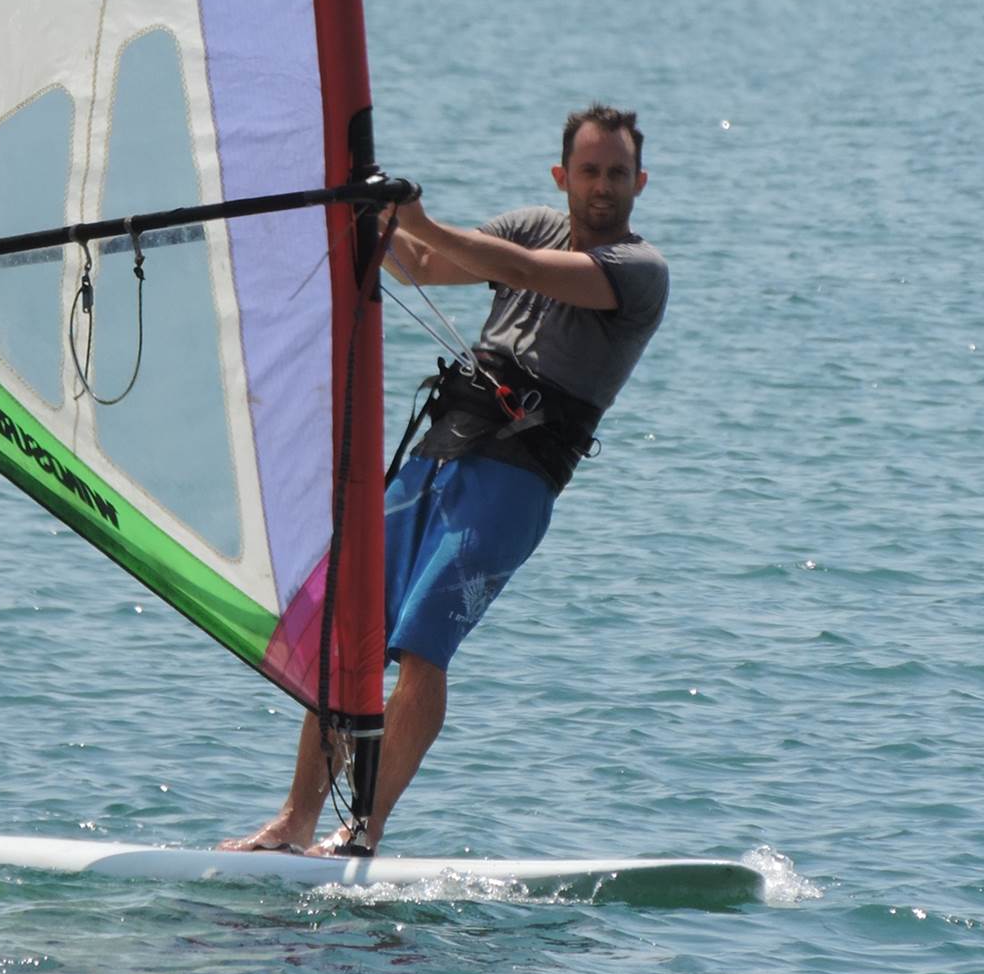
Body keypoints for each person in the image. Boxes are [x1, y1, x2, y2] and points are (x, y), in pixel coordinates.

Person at [219, 104, 668, 857]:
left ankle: (364, 828)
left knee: (423, 649)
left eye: (617, 174)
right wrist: (368, 216)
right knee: (345, 633)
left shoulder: (640, 271)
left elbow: (516, 271)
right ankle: (293, 821)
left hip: (514, 485)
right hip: (436, 457)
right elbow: (425, 265)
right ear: (562, 176)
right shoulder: (531, 223)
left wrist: (414, 214)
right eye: (589, 171)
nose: (602, 187)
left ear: (640, 182)